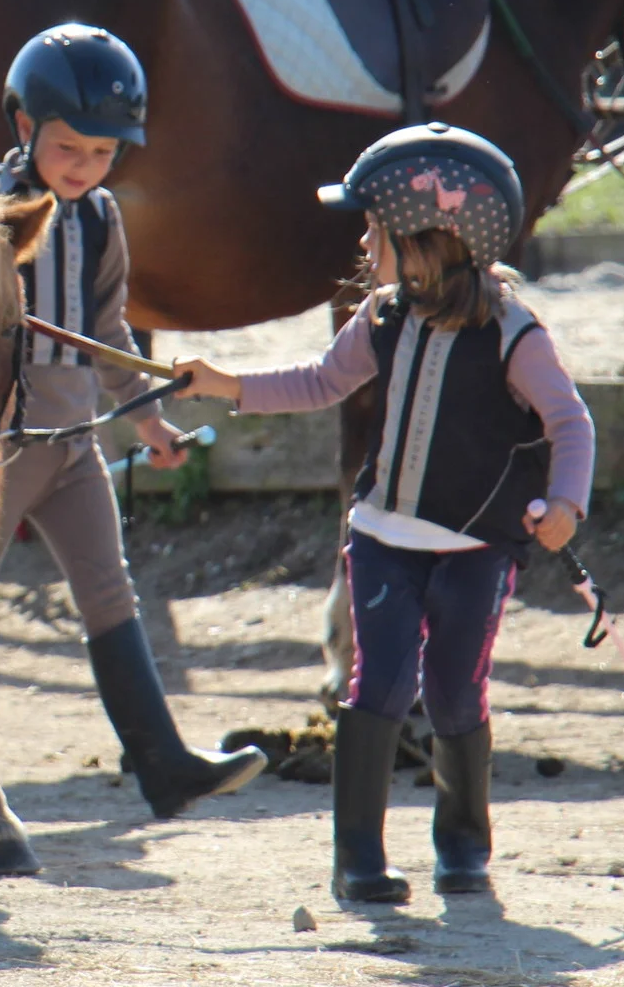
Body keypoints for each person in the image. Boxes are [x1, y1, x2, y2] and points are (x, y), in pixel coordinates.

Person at [176, 123, 595, 904]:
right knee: (377, 688)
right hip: (380, 539)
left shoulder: (516, 334)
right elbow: (317, 381)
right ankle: (357, 859)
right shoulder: (380, 316)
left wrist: (567, 503)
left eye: (377, 229)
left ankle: (463, 847)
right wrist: (222, 382)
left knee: (455, 691)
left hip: (475, 548)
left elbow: (571, 424)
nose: (365, 244)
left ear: (434, 238)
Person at [0, 24, 268, 822]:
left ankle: (163, 764)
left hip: (74, 439)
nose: (84, 167)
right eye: (68, 147)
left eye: (103, 152)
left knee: (110, 590)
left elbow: (110, 330)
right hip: (1, 444)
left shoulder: (101, 219)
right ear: (24, 128)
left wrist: (146, 420)